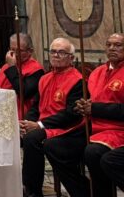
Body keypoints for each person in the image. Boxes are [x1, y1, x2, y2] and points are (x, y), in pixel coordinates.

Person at [19, 38, 84, 197]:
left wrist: (39, 125)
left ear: (71, 58)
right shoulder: (45, 78)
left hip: (67, 127)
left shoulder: (77, 81)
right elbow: (36, 106)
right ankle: (20, 186)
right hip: (45, 125)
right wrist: (27, 122)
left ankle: (33, 192)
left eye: (61, 52)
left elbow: (71, 115)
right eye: (53, 51)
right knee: (21, 135)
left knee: (32, 139)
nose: (56, 55)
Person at [66, 32, 124, 197]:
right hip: (94, 126)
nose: (112, 48)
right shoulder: (97, 72)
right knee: (55, 146)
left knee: (93, 153)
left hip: (118, 129)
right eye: (109, 44)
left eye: (118, 45)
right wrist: (83, 105)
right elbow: (94, 98)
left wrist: (95, 109)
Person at [0, 32, 44, 119]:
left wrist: (12, 68)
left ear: (30, 51)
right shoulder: (5, 67)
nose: (14, 54)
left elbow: (24, 93)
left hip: (21, 115)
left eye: (19, 51)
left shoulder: (36, 69)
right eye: (12, 50)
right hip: (1, 111)